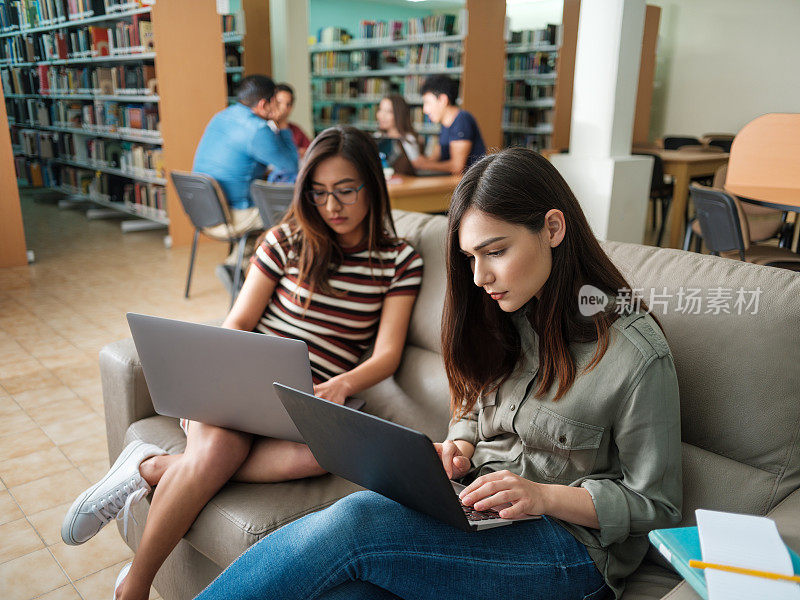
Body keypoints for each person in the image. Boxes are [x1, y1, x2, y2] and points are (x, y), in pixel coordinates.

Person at [190, 147, 682, 600]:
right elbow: (472, 405)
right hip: (474, 506)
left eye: (495, 251)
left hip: (571, 553)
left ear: (553, 229)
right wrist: (461, 445)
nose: (479, 277)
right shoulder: (504, 313)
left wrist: (541, 496)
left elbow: (656, 505)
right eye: (470, 257)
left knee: (358, 521)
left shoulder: (635, 356)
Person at [61, 126, 424, 600]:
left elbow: (388, 355)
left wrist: (341, 384)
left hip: (311, 397)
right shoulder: (285, 241)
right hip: (244, 380)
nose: (331, 206)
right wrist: (217, 378)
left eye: (345, 191)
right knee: (217, 451)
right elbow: (237, 323)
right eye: (317, 193)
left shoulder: (399, 262)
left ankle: (153, 467)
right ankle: (135, 586)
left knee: (320, 457)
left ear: (372, 187)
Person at [192, 75, 300, 290]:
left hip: (202, 211)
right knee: (291, 214)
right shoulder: (258, 130)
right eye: (275, 103)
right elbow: (291, 165)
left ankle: (236, 265)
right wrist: (282, 125)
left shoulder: (221, 116)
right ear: (263, 104)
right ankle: (286, 283)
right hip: (233, 216)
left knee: (263, 208)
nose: (279, 107)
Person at [412, 74, 487, 175]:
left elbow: (457, 167)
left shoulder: (462, 120)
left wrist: (424, 165)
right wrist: (421, 161)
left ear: (443, 100)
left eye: (427, 102)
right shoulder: (445, 124)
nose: (425, 110)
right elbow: (436, 158)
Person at [375, 93, 421, 161]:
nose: (381, 115)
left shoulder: (408, 141)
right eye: (380, 110)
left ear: (399, 114)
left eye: (388, 112)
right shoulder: (377, 136)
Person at [273, 83, 312, 159]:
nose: (284, 108)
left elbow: (311, 150)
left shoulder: (295, 130)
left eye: (288, 104)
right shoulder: (264, 129)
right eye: (279, 103)